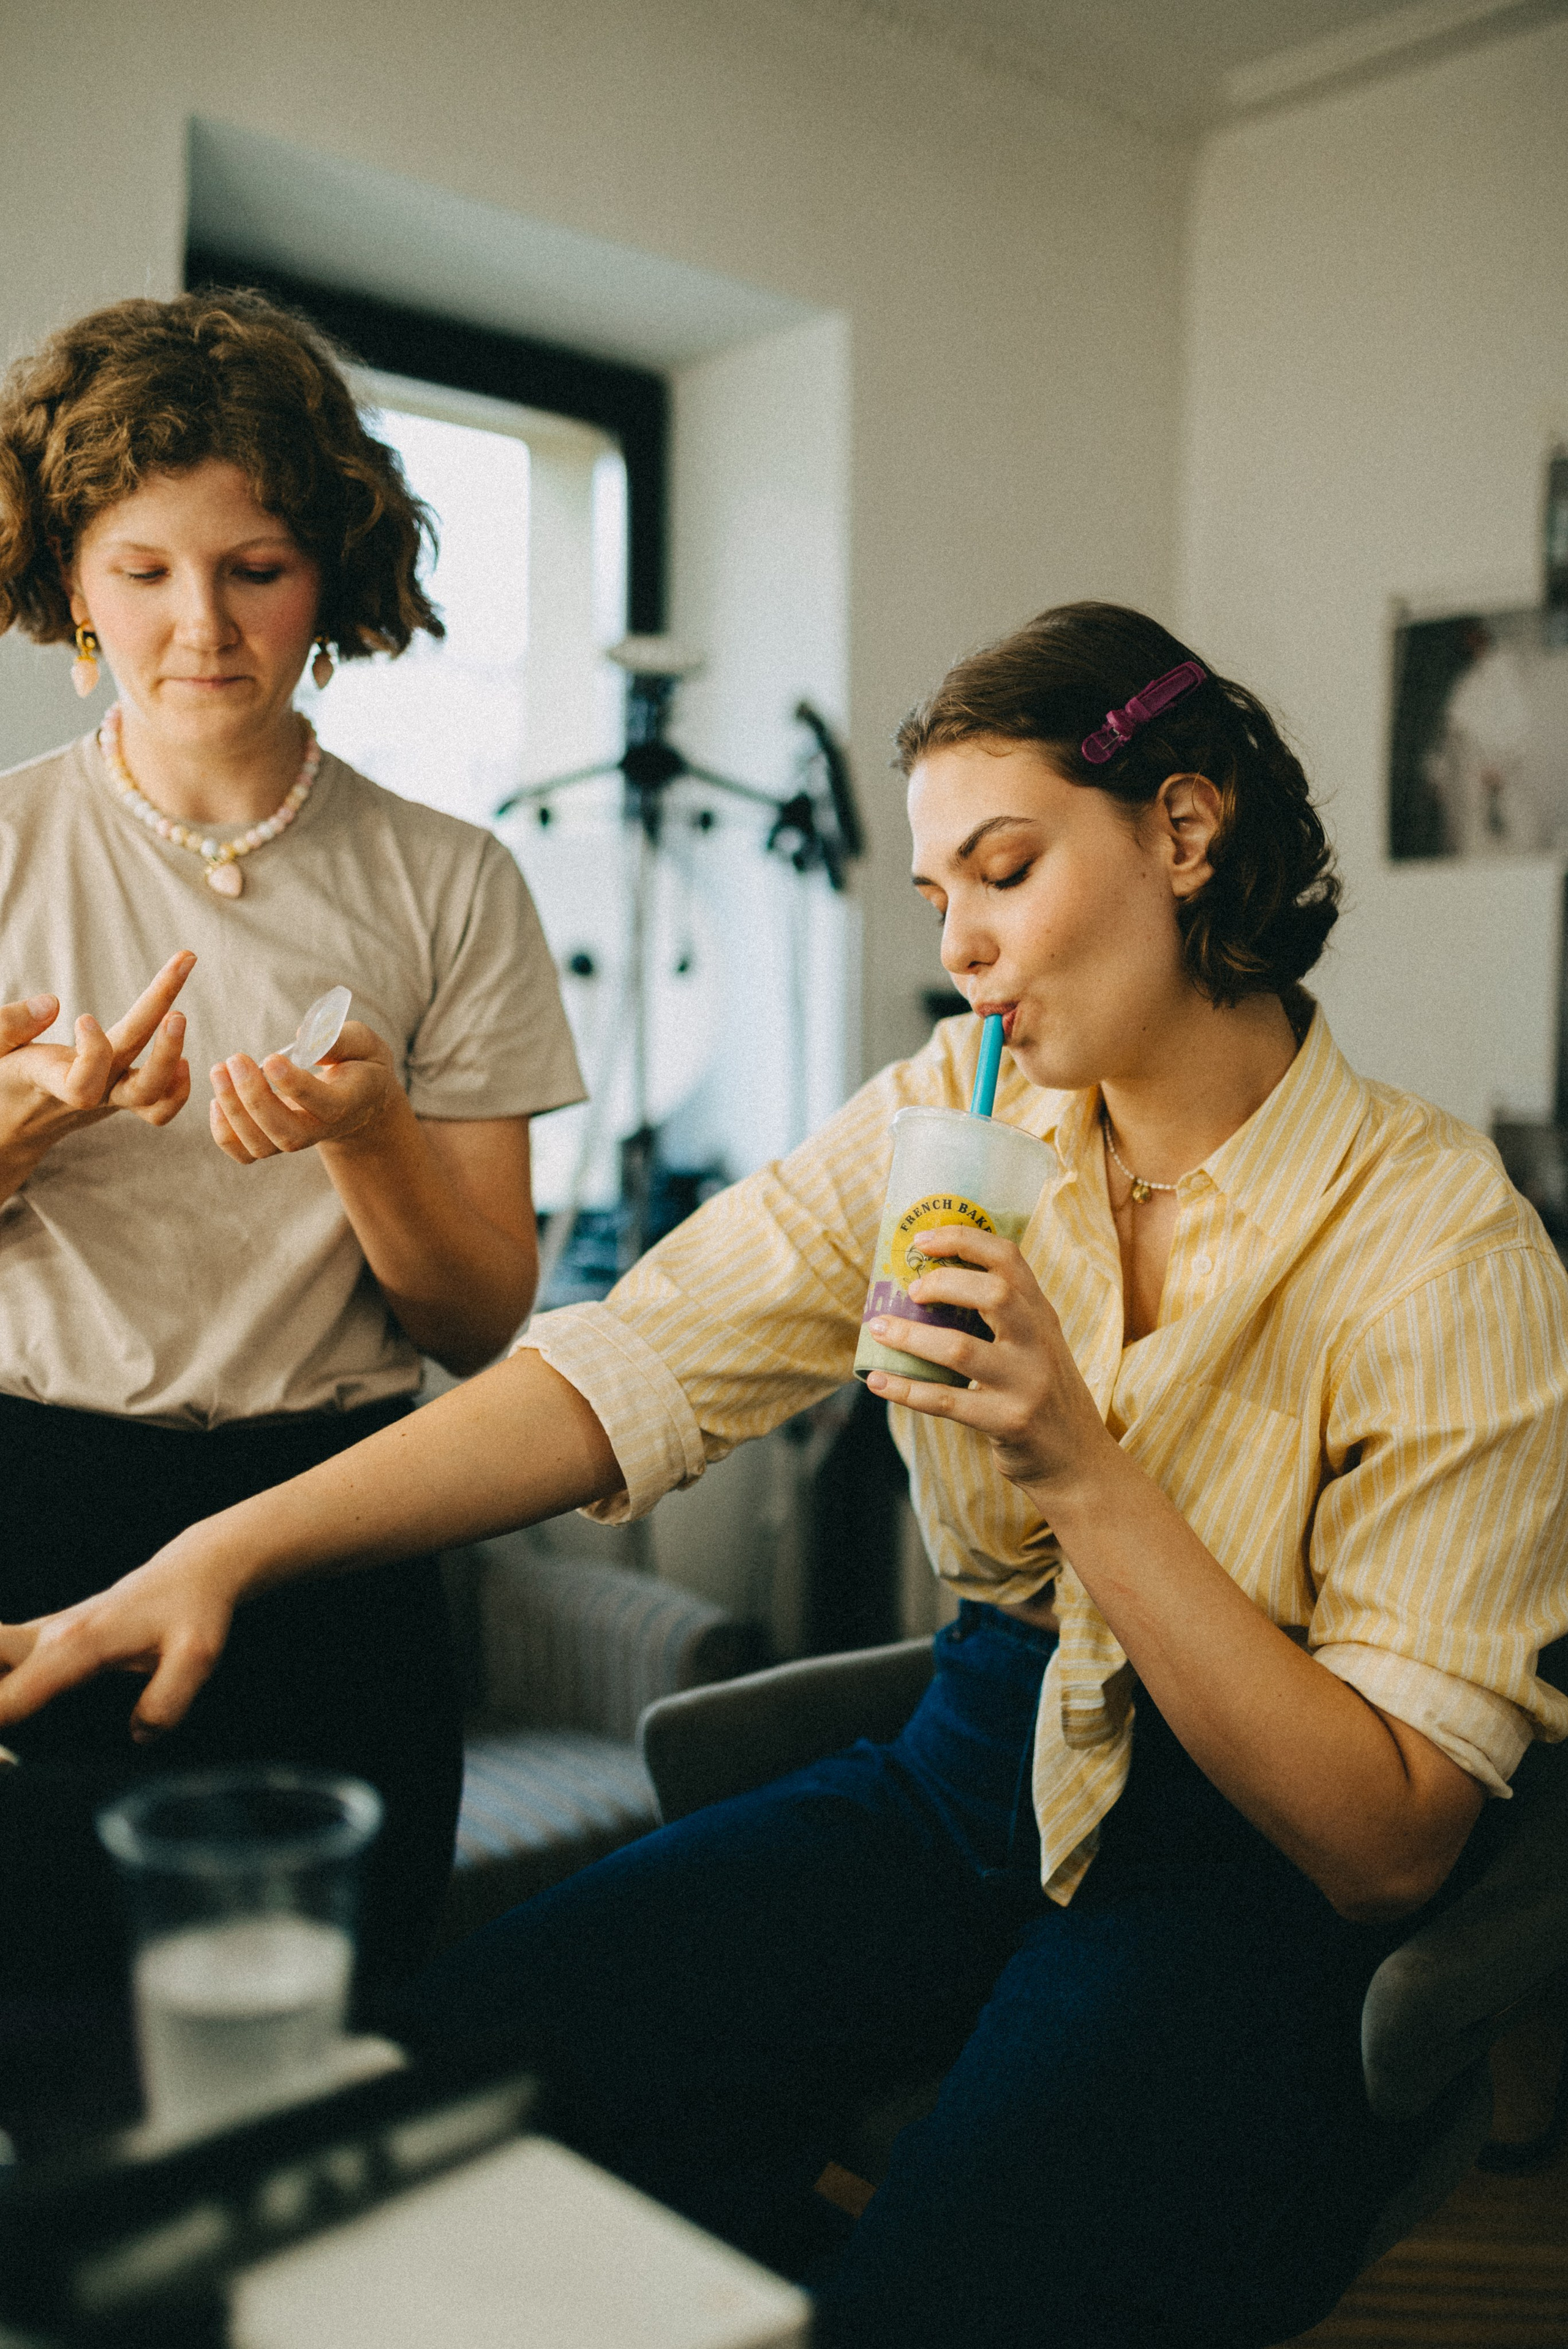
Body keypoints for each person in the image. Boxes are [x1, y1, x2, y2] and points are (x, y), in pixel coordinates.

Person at [4, 602, 1567, 2345]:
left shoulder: (1444, 1251)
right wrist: (219, 1552)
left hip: (1239, 1875)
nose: (966, 946)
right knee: (438, 2097)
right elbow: (629, 1363)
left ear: (1186, 834)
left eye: (1007, 869)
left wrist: (1081, 1464)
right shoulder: (949, 1127)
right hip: (966, 1773)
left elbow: (1385, 1848)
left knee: (931, 2295)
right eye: (937, 898)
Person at [0, 290, 583, 2032]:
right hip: (32, 1514)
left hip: (337, 1540)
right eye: (144, 571)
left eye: (255, 566)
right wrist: (22, 1129)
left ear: (332, 568)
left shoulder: (453, 884)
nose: (203, 625)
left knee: (336, 2050)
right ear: (68, 582)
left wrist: (374, 1135)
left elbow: (482, 1323)